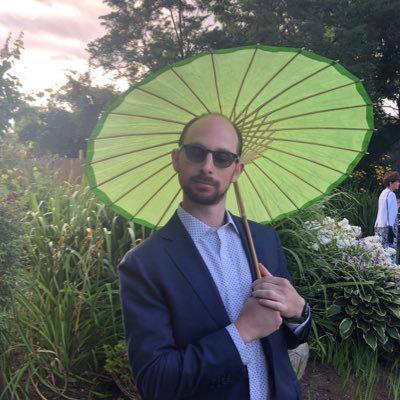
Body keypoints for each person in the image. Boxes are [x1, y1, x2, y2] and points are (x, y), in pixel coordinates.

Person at [118, 113, 311, 400]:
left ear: (237, 170)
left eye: (222, 158)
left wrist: (298, 312)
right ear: (176, 159)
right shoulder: (145, 264)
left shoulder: (263, 240)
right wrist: (242, 332)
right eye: (196, 152)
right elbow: (155, 382)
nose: (207, 166)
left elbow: (290, 335)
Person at [374, 170, 400, 263]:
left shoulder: (383, 193)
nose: (399, 183)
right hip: (388, 228)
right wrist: (390, 229)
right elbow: (391, 214)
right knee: (390, 254)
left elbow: (385, 210)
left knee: (381, 253)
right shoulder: (391, 194)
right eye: (397, 181)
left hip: (379, 226)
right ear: (390, 183)